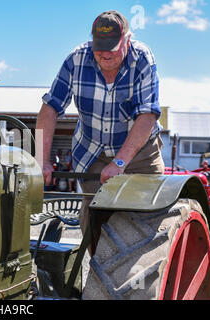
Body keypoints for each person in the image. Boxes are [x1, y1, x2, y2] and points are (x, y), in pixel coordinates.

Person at [35, 10, 165, 243]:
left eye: (112, 47)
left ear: (127, 39)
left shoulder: (143, 58)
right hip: (92, 153)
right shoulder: (76, 59)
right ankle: (97, 271)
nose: (104, 54)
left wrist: (120, 162)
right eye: (99, 46)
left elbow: (147, 115)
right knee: (97, 229)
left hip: (141, 155)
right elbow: (50, 108)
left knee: (148, 227)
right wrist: (42, 160)